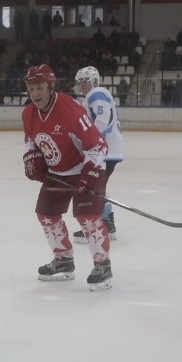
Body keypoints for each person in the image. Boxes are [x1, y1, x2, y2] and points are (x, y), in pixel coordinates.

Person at [21, 64, 113, 291]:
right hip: (58, 172)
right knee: (46, 215)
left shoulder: (70, 109)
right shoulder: (28, 114)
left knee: (88, 217)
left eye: (40, 88)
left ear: (50, 87)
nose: (35, 94)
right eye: (32, 89)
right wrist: (31, 157)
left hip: (85, 167)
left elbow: (97, 144)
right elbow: (31, 140)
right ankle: (63, 260)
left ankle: (103, 265)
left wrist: (90, 173)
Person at [73, 66, 124, 242]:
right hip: (107, 149)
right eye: (80, 81)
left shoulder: (97, 93)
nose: (82, 84)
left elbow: (103, 119)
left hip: (104, 150)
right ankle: (107, 224)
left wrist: (90, 141)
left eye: (85, 81)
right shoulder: (95, 95)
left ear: (94, 81)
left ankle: (99, 226)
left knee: (92, 189)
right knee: (97, 187)